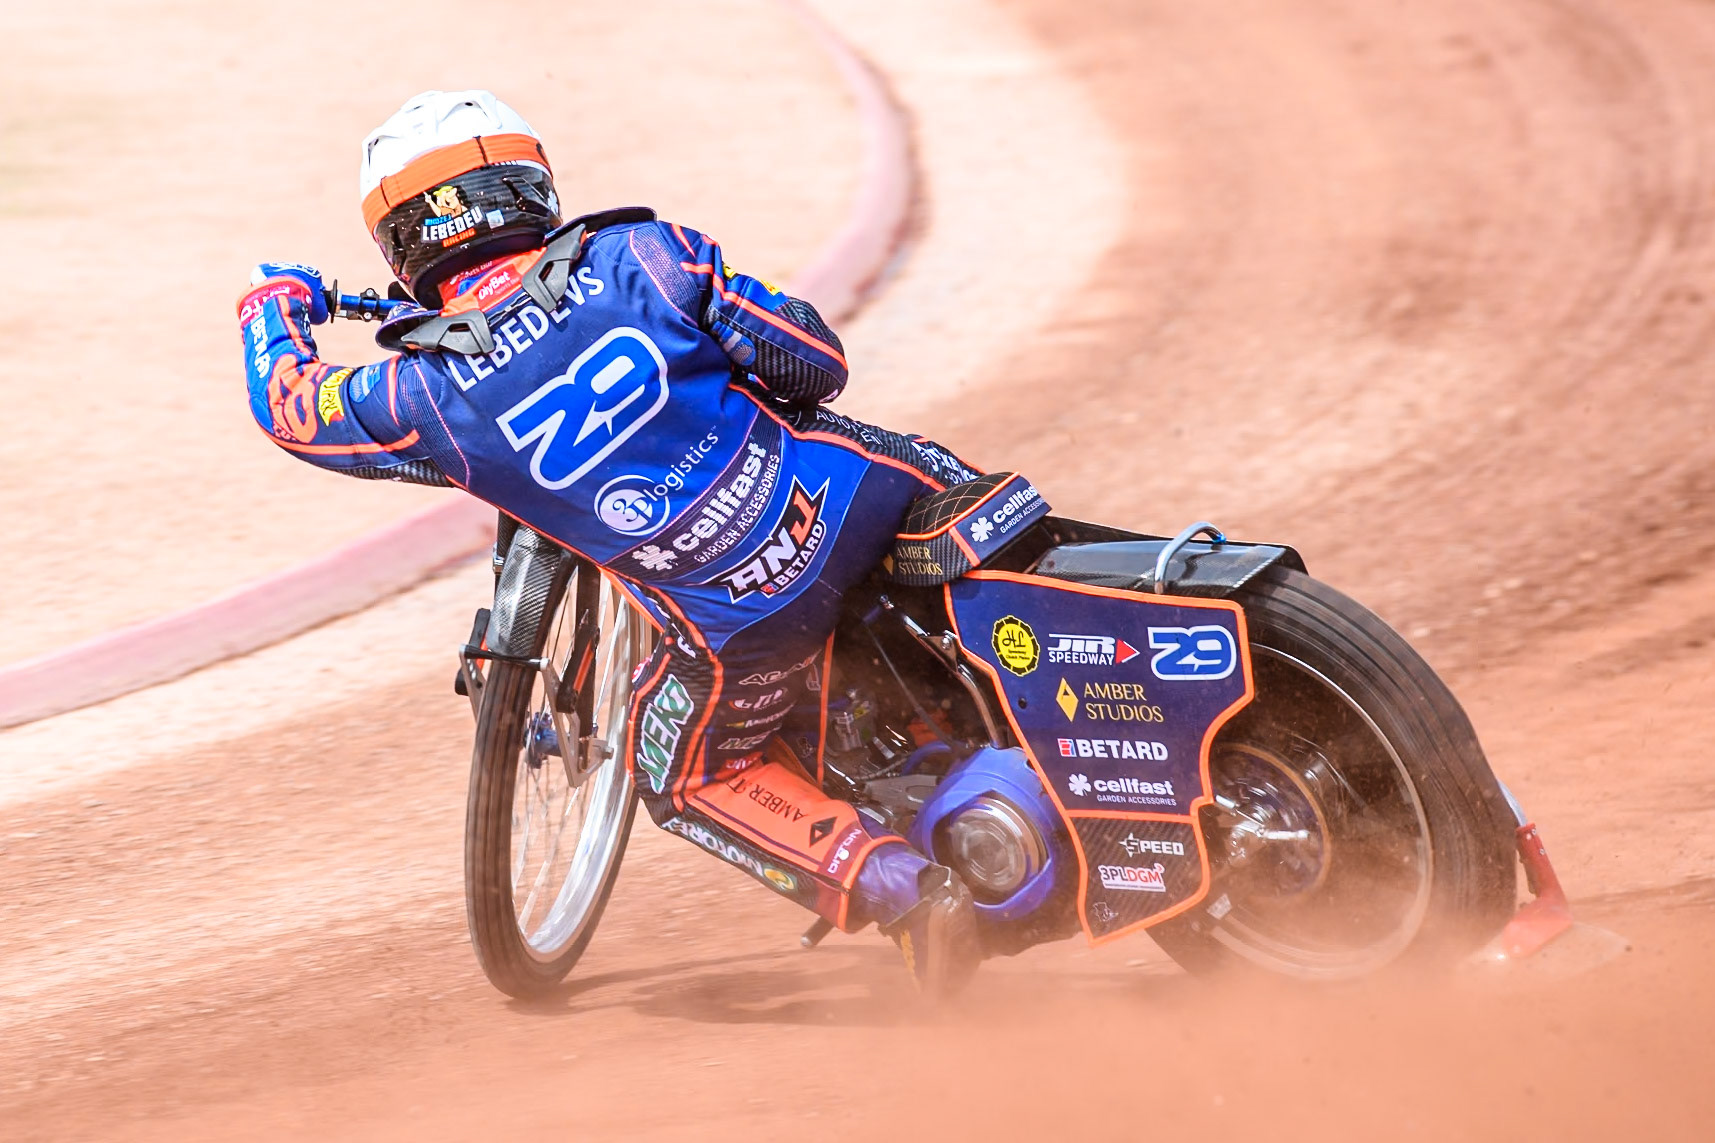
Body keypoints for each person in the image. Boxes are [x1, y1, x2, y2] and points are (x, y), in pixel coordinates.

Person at [239, 90, 984, 995]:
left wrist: (270, 309)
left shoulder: (423, 397)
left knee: (677, 769)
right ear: (532, 188)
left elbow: (291, 406)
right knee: (970, 508)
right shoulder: (647, 253)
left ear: (400, 246)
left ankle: (904, 892)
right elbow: (814, 363)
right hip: (874, 493)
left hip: (746, 621)